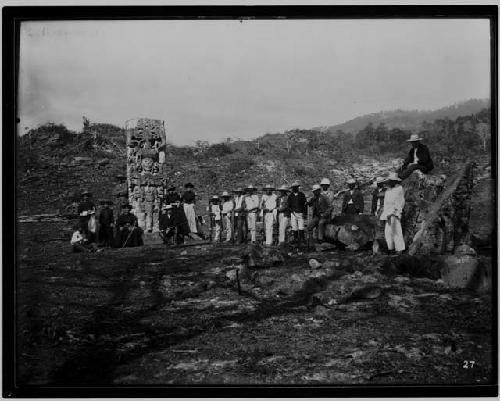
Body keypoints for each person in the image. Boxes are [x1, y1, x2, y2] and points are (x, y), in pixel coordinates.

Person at [380, 173, 406, 254]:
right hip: (387, 213)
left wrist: (395, 212)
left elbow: (401, 201)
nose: (389, 182)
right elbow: (385, 203)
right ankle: (390, 248)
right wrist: (385, 214)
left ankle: (399, 249)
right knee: (388, 232)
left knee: (396, 231)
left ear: (394, 181)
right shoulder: (388, 190)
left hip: (395, 213)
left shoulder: (399, 189)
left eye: (391, 181)